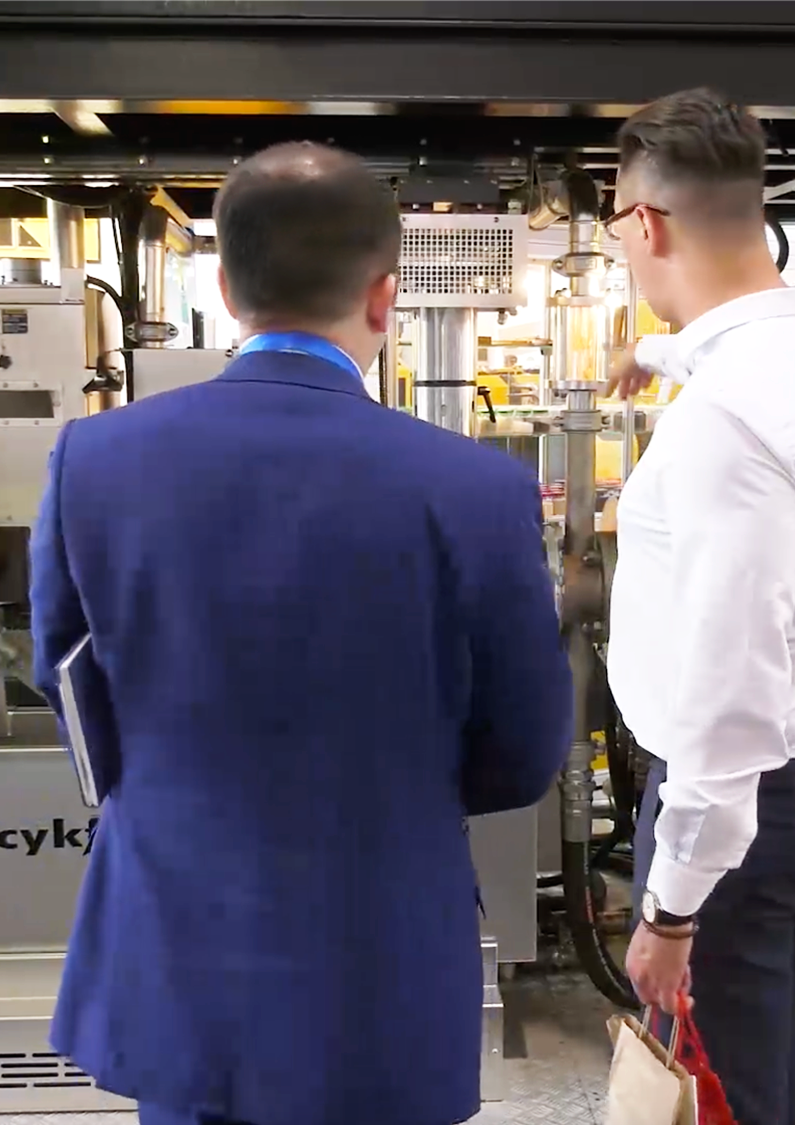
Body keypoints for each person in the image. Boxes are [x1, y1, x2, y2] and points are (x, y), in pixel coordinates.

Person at [29, 142, 571, 1125]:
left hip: (179, 942)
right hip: (383, 945)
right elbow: (525, 750)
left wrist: (172, 788)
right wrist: (401, 798)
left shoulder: (95, 458)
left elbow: (66, 684)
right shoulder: (476, 486)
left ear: (225, 289)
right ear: (384, 297)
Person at [601, 88, 795, 1125]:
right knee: (759, 1055)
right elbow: (730, 352)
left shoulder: (723, 422)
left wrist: (672, 911)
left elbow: (728, 693)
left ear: (645, 224)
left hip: (738, 805)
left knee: (723, 1085)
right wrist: (647, 354)